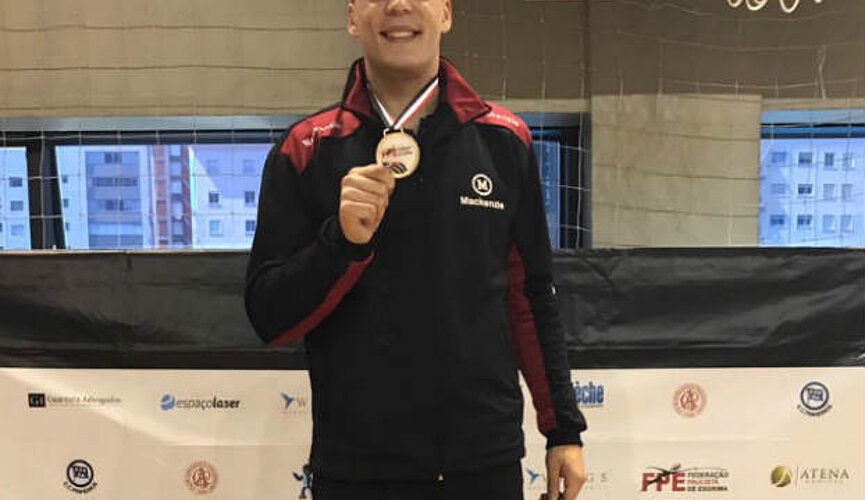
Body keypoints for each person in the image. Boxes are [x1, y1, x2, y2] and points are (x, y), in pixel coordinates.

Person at [244, 0, 588, 498]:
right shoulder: (306, 149)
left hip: (483, 465)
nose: (398, 4)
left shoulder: (504, 141)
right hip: (359, 472)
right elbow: (269, 317)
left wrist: (563, 430)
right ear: (352, 17)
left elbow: (531, 297)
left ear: (445, 12)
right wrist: (342, 243)